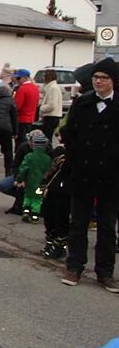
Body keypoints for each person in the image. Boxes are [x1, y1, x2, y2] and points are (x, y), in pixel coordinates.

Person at [59, 58, 119, 293]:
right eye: (96, 77)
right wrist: (74, 157)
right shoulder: (82, 103)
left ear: (113, 81)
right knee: (78, 223)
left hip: (110, 176)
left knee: (106, 226)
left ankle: (105, 272)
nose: (99, 82)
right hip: (83, 173)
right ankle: (74, 266)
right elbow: (69, 132)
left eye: (104, 78)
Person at [14, 132, 51, 224]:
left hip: (30, 181)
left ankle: (26, 212)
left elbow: (23, 168)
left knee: (28, 197)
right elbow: (49, 171)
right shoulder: (47, 158)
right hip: (42, 183)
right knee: (37, 200)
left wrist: (19, 179)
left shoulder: (29, 157)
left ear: (34, 144)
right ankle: (35, 216)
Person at [39, 145, 69, 260]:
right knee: (50, 215)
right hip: (54, 189)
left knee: (60, 218)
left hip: (64, 190)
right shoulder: (56, 157)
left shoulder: (66, 159)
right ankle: (51, 241)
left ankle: (60, 245)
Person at [13, 69, 39, 148]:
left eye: (18, 78)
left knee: (20, 142)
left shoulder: (22, 89)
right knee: (28, 141)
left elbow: (17, 105)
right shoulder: (35, 88)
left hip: (21, 119)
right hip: (31, 118)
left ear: (25, 78)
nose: (17, 80)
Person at [38, 69, 63, 141]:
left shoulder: (53, 88)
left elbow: (52, 105)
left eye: (44, 76)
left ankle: (48, 152)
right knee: (47, 139)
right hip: (51, 117)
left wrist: (41, 108)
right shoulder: (51, 87)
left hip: (51, 117)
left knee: (47, 139)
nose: (43, 78)